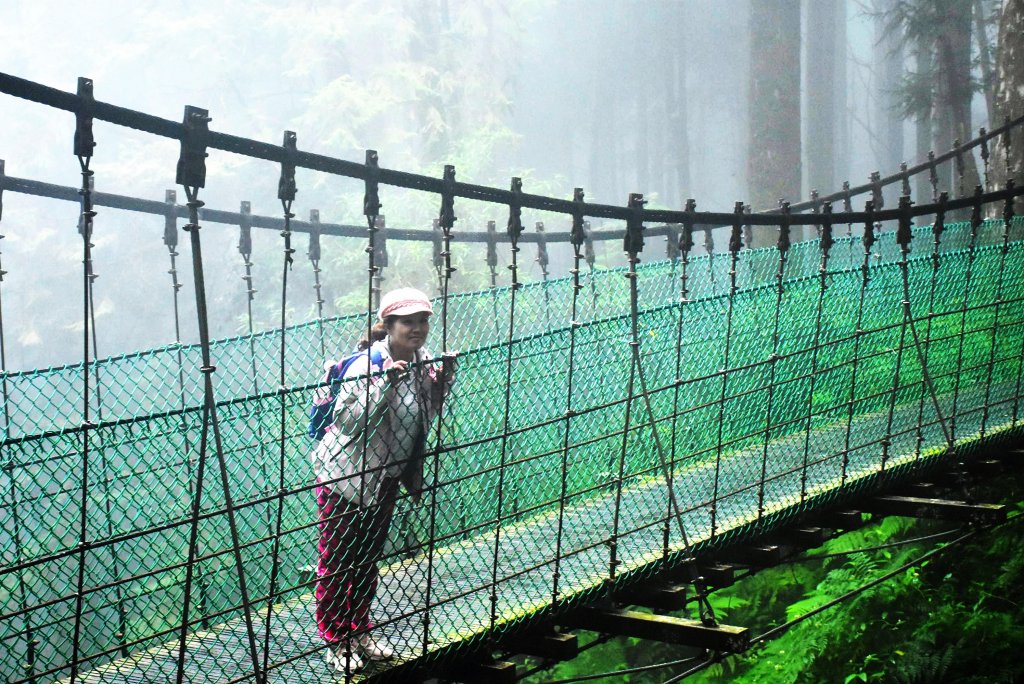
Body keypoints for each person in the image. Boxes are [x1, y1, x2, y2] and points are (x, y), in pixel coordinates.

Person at [312, 287, 454, 674]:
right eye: (409, 321)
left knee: (367, 558)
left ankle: (359, 631)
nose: (418, 328)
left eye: (423, 320)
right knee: (339, 559)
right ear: (388, 325)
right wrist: (383, 385)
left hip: (385, 477)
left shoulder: (424, 361)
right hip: (346, 477)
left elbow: (423, 415)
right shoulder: (365, 365)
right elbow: (348, 424)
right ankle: (335, 638)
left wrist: (443, 382)